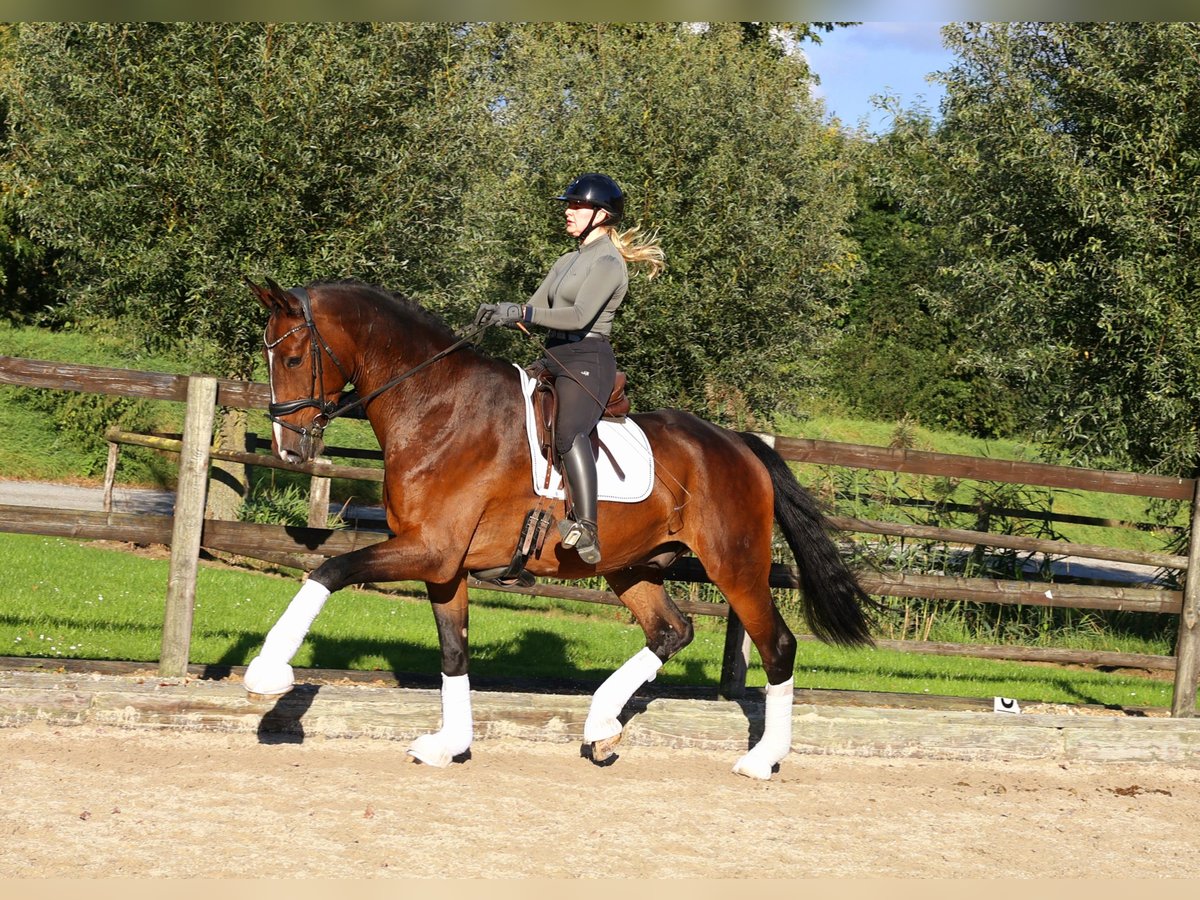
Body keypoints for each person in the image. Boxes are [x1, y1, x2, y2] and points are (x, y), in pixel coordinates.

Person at [474, 172, 664, 565]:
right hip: (553, 356)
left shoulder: (609, 262)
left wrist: (526, 312)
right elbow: (536, 307)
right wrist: (505, 313)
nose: (568, 211)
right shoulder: (566, 260)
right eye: (569, 204)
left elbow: (578, 317)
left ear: (601, 214)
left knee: (567, 433)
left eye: (577, 205)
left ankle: (588, 525)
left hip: (587, 359)